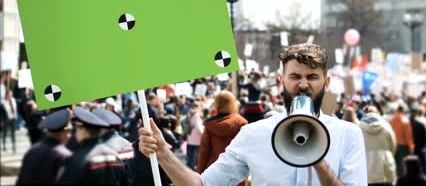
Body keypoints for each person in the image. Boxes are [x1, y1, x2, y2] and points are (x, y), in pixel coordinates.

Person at [139, 43, 367, 185]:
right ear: (281, 81)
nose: (304, 85)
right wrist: (164, 155)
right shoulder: (253, 134)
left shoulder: (348, 134)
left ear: (326, 83)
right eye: (295, 77)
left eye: (312, 77)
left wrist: (318, 161)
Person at [56, 107, 128, 185]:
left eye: (78, 129)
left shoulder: (77, 158)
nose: (75, 133)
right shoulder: (114, 156)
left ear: (84, 131)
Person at [197, 91, 248, 186]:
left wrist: (199, 176)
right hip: (237, 174)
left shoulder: (209, 125)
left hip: (214, 174)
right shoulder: (241, 123)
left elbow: (204, 152)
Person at [16, 109, 73, 185]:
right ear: (64, 132)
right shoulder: (65, 156)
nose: (70, 136)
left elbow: (20, 181)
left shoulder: (31, 151)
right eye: (69, 132)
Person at [358, 106, 396, 186]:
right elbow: (393, 145)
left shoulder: (359, 127)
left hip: (367, 165)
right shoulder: (386, 126)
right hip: (385, 165)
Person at [389, 104, 414, 177]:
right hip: (403, 147)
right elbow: (408, 137)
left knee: (394, 166)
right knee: (402, 167)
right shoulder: (405, 122)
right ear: (403, 111)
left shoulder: (391, 121)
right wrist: (411, 147)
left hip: (393, 145)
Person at [186, 101, 204, 170]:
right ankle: (191, 171)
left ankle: (188, 169)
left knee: (189, 156)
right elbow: (199, 127)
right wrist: (203, 134)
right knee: (194, 157)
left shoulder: (189, 113)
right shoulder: (196, 115)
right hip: (196, 138)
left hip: (190, 137)